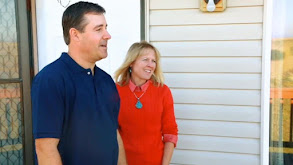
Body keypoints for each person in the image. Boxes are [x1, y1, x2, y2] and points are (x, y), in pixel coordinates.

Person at [31, 2, 126, 165]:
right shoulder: (51, 80)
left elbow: (114, 134)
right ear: (75, 34)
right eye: (99, 29)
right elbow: (45, 148)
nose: (107, 35)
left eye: (106, 27)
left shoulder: (106, 81)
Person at [114, 41, 178, 165]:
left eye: (153, 61)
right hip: (123, 162)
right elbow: (112, 131)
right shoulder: (116, 91)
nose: (151, 65)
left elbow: (170, 132)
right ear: (131, 62)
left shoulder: (163, 91)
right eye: (145, 59)